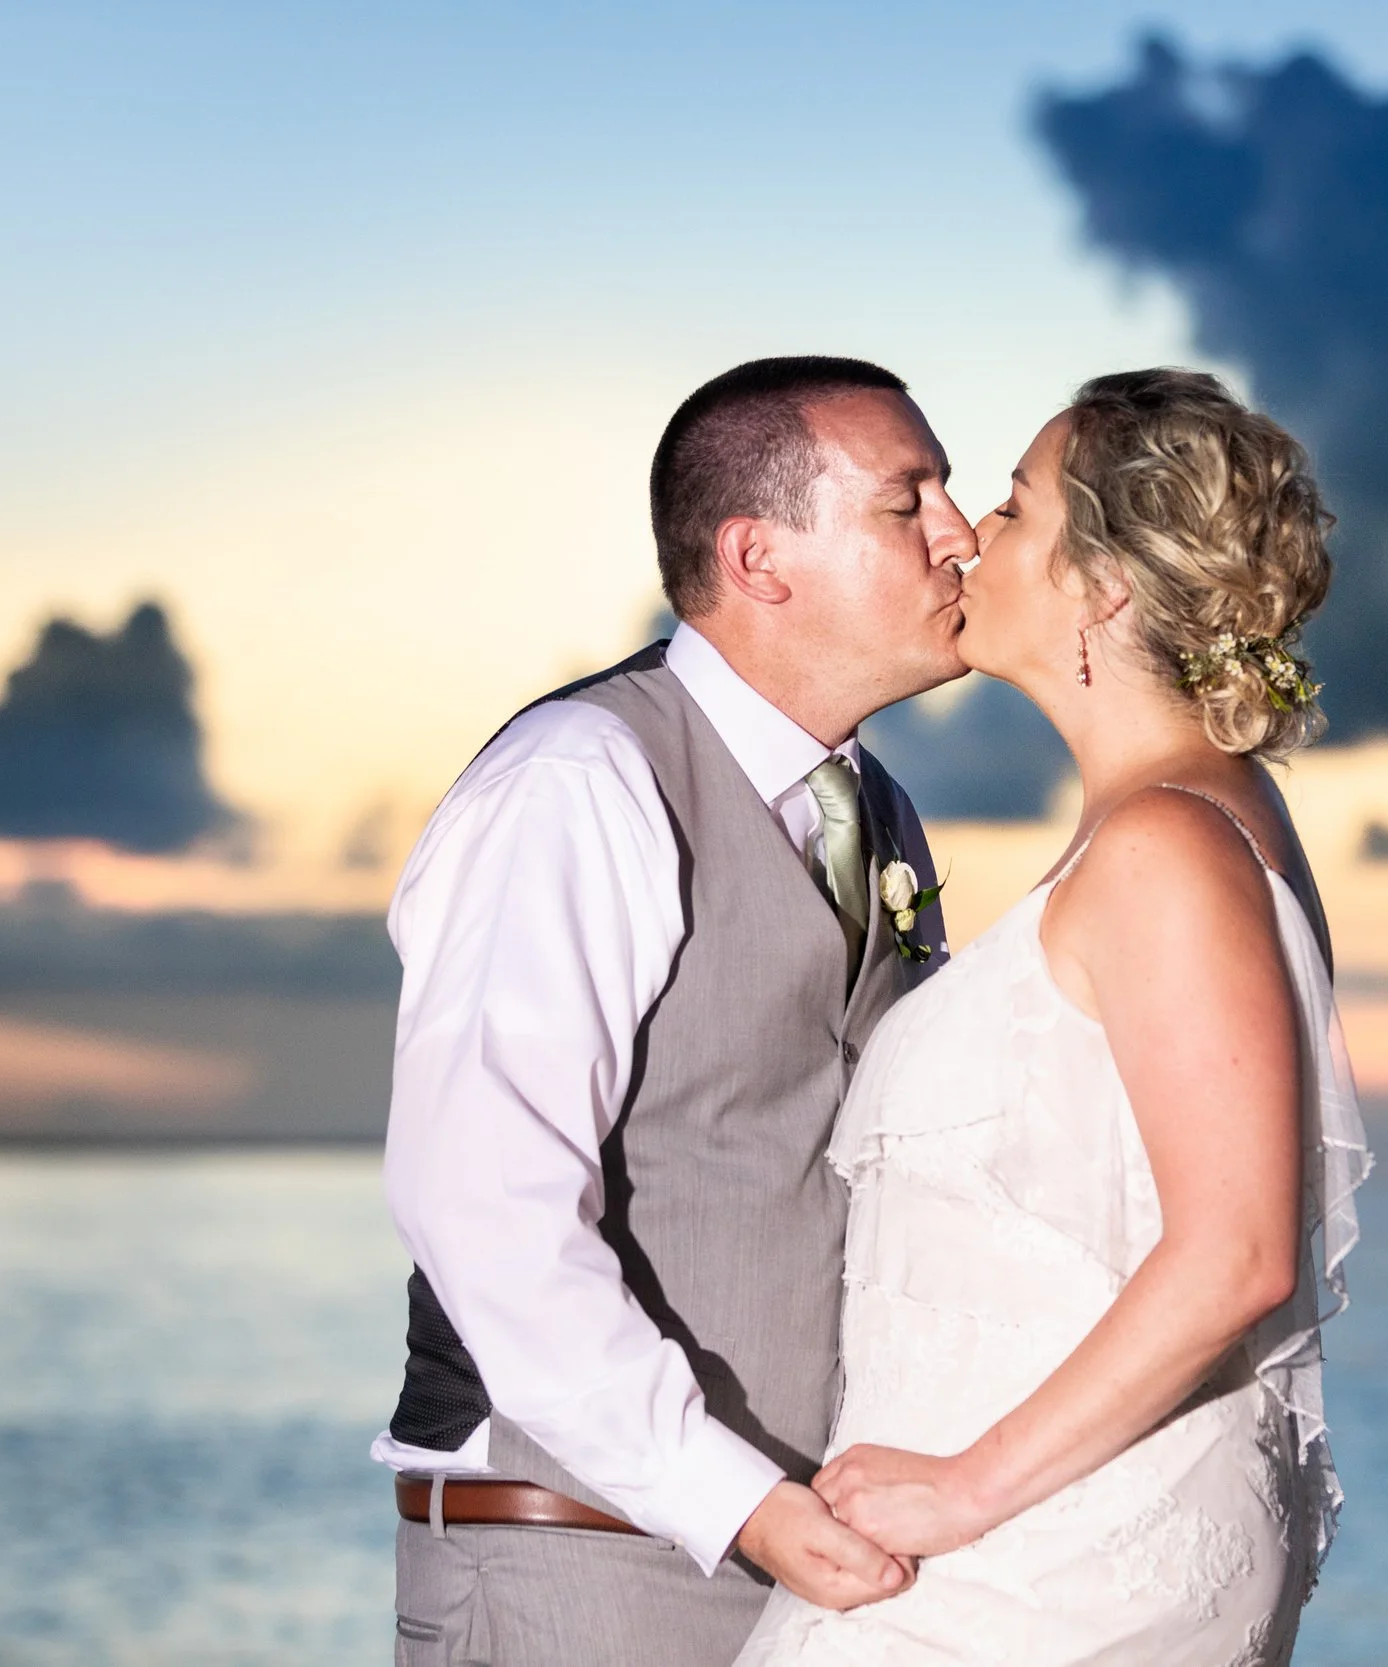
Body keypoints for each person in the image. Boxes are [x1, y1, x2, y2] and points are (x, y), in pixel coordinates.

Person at [733, 368, 1373, 1665]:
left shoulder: (1170, 847)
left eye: (1018, 508)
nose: (970, 533)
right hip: (1033, 1541)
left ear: (1104, 583)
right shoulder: (1192, 820)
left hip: (1039, 1563)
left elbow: (1239, 1252)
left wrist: (964, 1484)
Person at [373, 355, 977, 1665]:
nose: (962, 535)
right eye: (907, 500)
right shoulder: (579, 780)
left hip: (797, 1567)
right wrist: (738, 1499)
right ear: (759, 557)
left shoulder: (880, 812)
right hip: (579, 1561)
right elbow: (483, 1205)